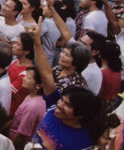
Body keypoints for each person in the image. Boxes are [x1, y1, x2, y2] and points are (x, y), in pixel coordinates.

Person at [29, 17, 102, 149]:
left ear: (81, 114)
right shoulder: (53, 109)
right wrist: (37, 42)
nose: (60, 104)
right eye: (62, 99)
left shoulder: (82, 144)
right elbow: (45, 74)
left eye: (67, 104)